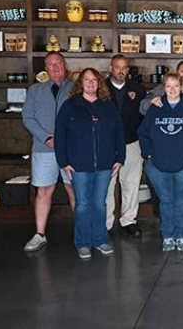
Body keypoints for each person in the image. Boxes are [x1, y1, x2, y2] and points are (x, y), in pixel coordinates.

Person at [55, 68, 125, 259]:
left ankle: (100, 239)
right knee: (83, 204)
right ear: (81, 84)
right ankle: (83, 242)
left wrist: (120, 158)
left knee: (100, 204)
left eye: (94, 80)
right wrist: (64, 162)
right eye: (86, 79)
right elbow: (60, 136)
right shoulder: (70, 106)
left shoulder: (108, 107)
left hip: (105, 164)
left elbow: (119, 133)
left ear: (100, 83)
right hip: (79, 165)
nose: (90, 83)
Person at [139, 73, 183, 252]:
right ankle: (168, 235)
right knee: (166, 201)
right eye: (168, 86)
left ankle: (181, 235)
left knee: (182, 201)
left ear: (181, 87)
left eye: (176, 85)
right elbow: (143, 133)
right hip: (158, 165)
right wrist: (148, 154)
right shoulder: (155, 108)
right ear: (164, 88)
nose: (172, 89)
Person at [22, 51, 76, 252]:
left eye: (58, 63)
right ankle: (39, 234)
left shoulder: (76, 88)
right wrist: (46, 137)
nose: (55, 68)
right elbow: (28, 118)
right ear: (45, 69)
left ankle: (81, 231)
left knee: (74, 189)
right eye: (50, 65)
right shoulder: (35, 90)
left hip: (71, 148)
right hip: (44, 148)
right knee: (44, 191)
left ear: (65, 65)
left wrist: (64, 139)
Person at [105, 54, 146, 237]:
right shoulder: (101, 88)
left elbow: (144, 116)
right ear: (110, 68)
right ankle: (106, 223)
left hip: (131, 141)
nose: (121, 71)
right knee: (107, 185)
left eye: (124, 68)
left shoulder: (137, 88)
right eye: (117, 67)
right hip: (107, 143)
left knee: (131, 183)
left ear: (128, 70)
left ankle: (129, 220)